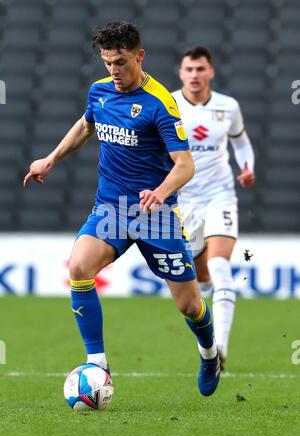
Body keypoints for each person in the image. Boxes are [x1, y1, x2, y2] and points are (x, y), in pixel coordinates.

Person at [23, 23, 220, 397]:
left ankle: (209, 352)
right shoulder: (99, 91)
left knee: (189, 305)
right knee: (79, 266)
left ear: (139, 56)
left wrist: (161, 192)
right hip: (111, 208)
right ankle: (97, 363)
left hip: (156, 215)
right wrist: (50, 159)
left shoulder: (160, 103)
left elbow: (185, 164)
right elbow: (85, 126)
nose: (114, 70)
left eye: (121, 62)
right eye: (108, 62)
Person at [172, 47, 255, 370]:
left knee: (220, 265)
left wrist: (246, 167)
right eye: (189, 69)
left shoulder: (228, 107)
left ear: (211, 72)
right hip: (184, 199)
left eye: (200, 69)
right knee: (200, 277)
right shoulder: (169, 105)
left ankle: (219, 347)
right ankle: (206, 298)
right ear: (181, 74)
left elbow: (241, 142)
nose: (194, 75)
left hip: (220, 195)